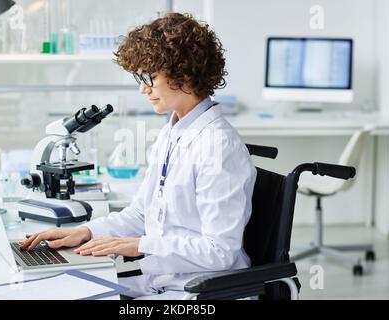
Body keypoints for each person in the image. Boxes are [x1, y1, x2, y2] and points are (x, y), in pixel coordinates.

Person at [21, 12, 257, 300]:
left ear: (184, 73)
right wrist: (86, 232)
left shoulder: (218, 146)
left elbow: (220, 251)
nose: (143, 89)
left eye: (150, 77)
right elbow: (142, 214)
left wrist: (140, 246)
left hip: (204, 292)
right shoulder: (172, 132)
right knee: (58, 291)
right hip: (164, 281)